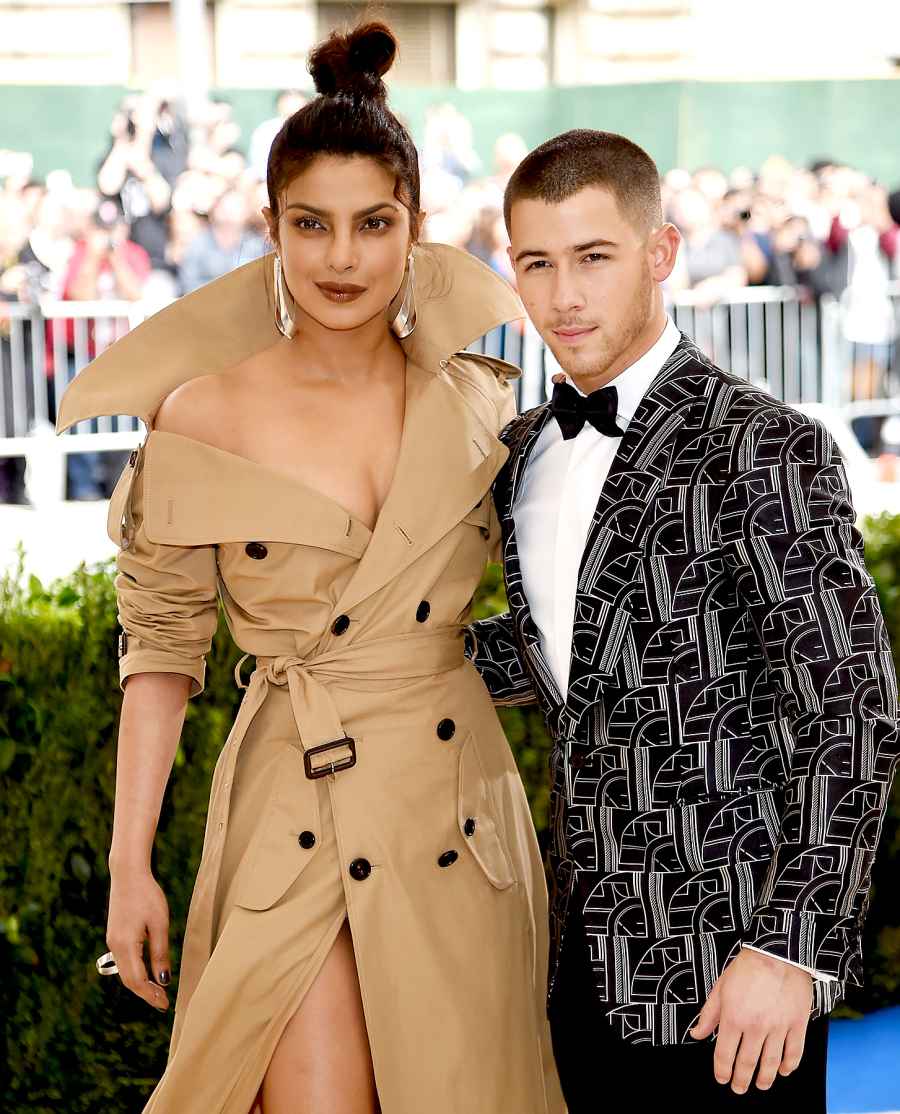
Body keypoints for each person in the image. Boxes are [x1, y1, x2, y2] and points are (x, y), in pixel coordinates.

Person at [56, 22, 564, 1114]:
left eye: (374, 224)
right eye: (313, 225)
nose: (344, 258)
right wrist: (130, 865)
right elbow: (160, 648)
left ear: (415, 230)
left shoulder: (481, 399)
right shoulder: (202, 411)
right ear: (271, 230)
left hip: (457, 820)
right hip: (296, 802)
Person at [466, 129, 900, 1111]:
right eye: (537, 262)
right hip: (574, 969)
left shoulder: (767, 446)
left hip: (736, 977)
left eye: (593, 257)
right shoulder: (522, 454)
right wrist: (375, 658)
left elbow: (851, 710)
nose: (563, 294)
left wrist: (792, 946)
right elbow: (573, 654)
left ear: (659, 254)